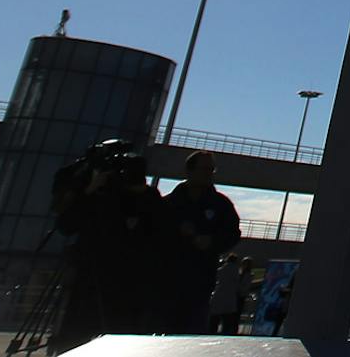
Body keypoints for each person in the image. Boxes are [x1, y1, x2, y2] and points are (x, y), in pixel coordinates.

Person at [51, 139, 163, 352]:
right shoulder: (88, 185)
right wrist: (89, 190)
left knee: (122, 337)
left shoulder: (139, 195)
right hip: (89, 272)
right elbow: (67, 224)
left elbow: (156, 225)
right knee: (75, 336)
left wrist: (139, 191)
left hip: (124, 276)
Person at [160, 151, 241, 334]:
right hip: (166, 281)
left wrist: (212, 241)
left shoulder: (221, 204)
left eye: (212, 170)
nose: (209, 173)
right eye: (204, 169)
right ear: (189, 171)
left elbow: (233, 234)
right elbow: (151, 235)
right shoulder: (169, 203)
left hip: (200, 282)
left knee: (191, 333)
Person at [207, 255, 247, 336]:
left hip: (218, 295)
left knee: (214, 320)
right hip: (230, 298)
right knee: (227, 321)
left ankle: (211, 333)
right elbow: (239, 286)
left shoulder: (221, 270)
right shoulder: (237, 271)